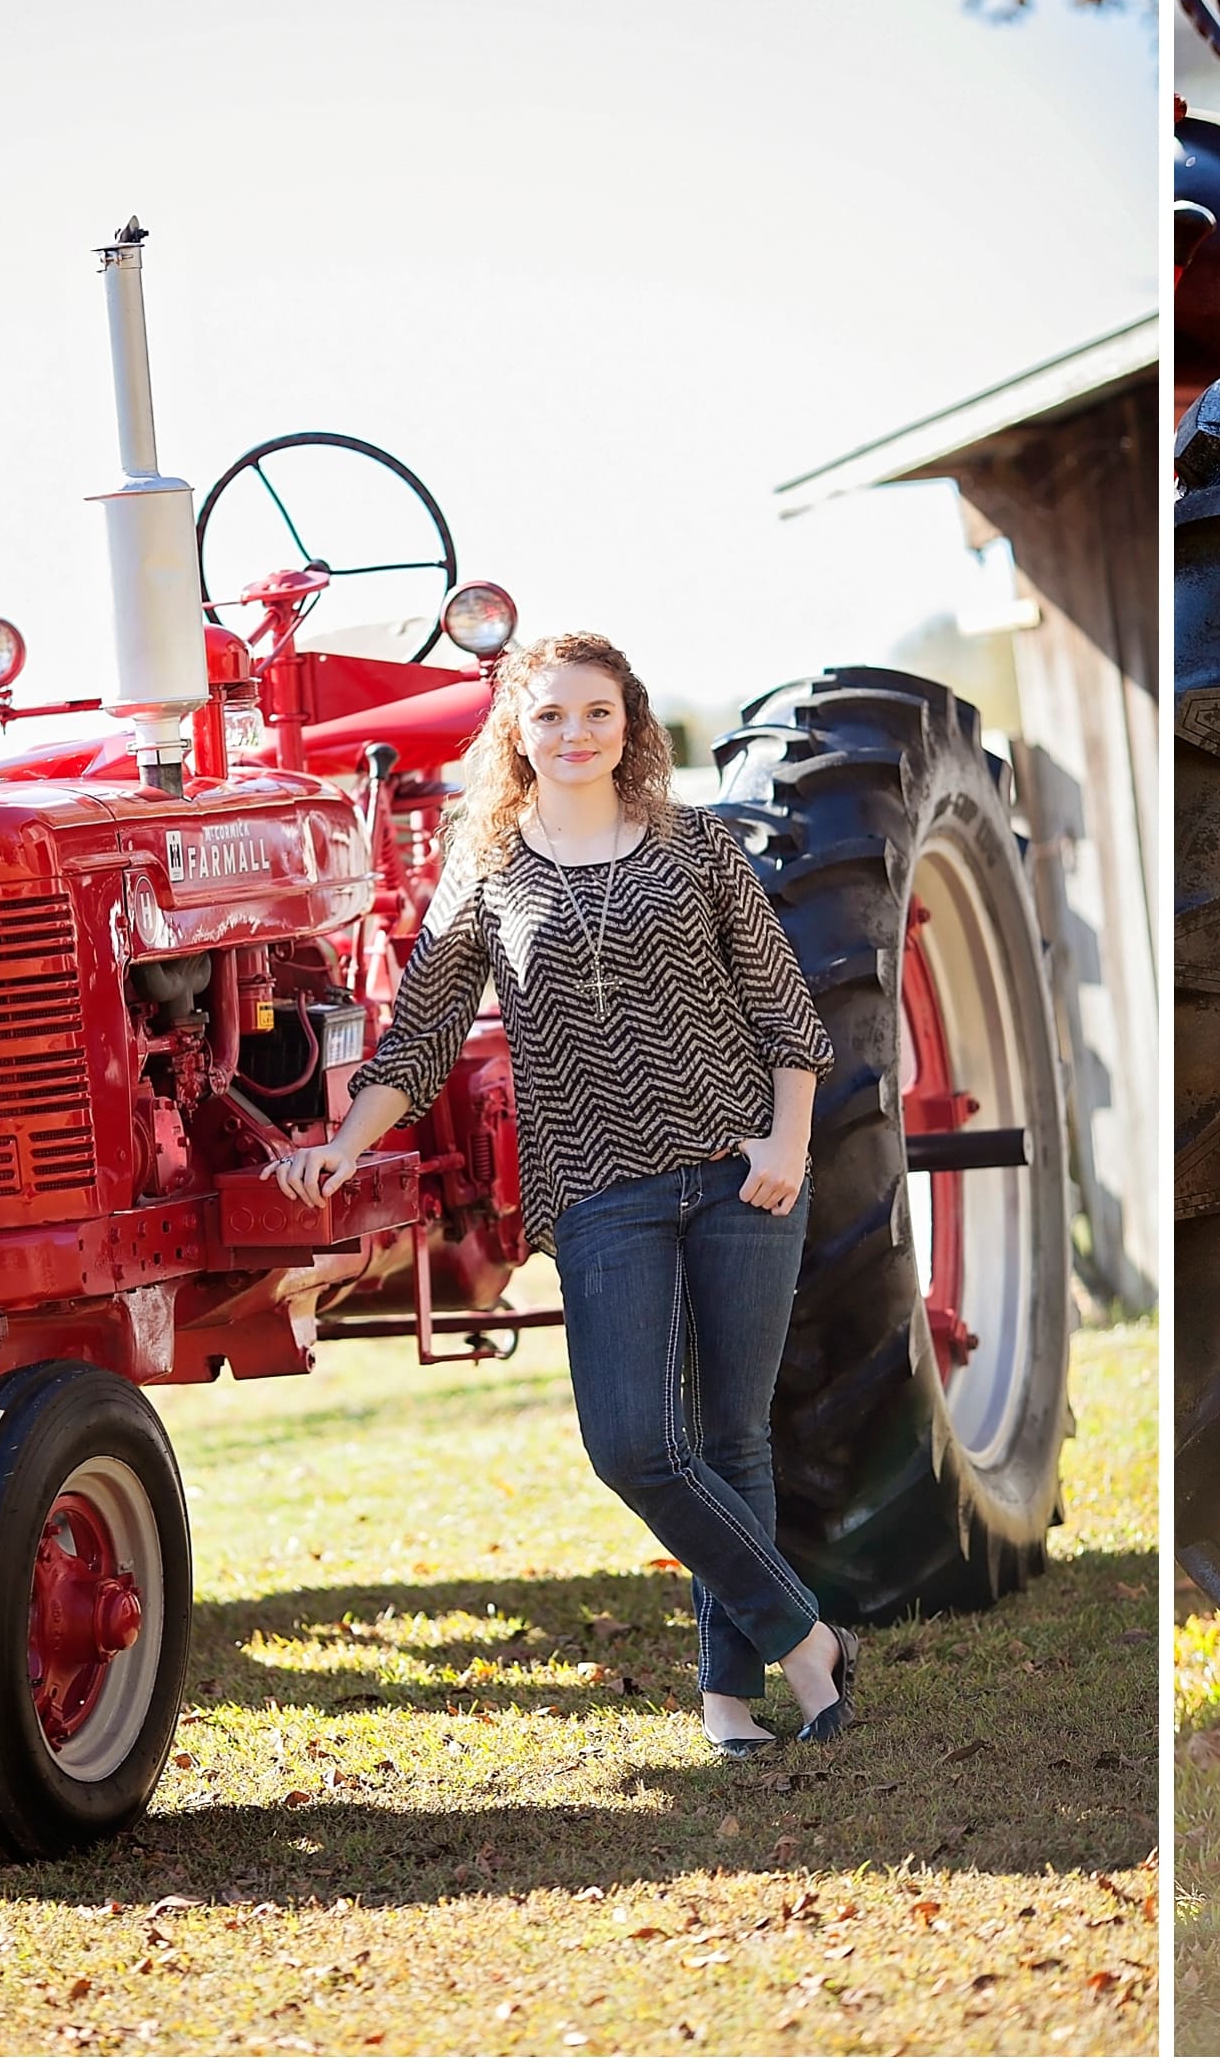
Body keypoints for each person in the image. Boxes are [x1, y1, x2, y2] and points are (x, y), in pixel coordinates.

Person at [267, 631, 858, 1754]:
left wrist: (787, 1140)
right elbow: (424, 1035)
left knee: (731, 1435)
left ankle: (730, 1698)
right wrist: (343, 1143)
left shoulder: (697, 847)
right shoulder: (489, 872)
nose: (576, 733)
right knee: (635, 1444)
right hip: (598, 1187)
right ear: (515, 731)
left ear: (629, 721)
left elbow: (785, 1009)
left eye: (597, 711)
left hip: (742, 1171)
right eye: (550, 714)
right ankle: (806, 1639)